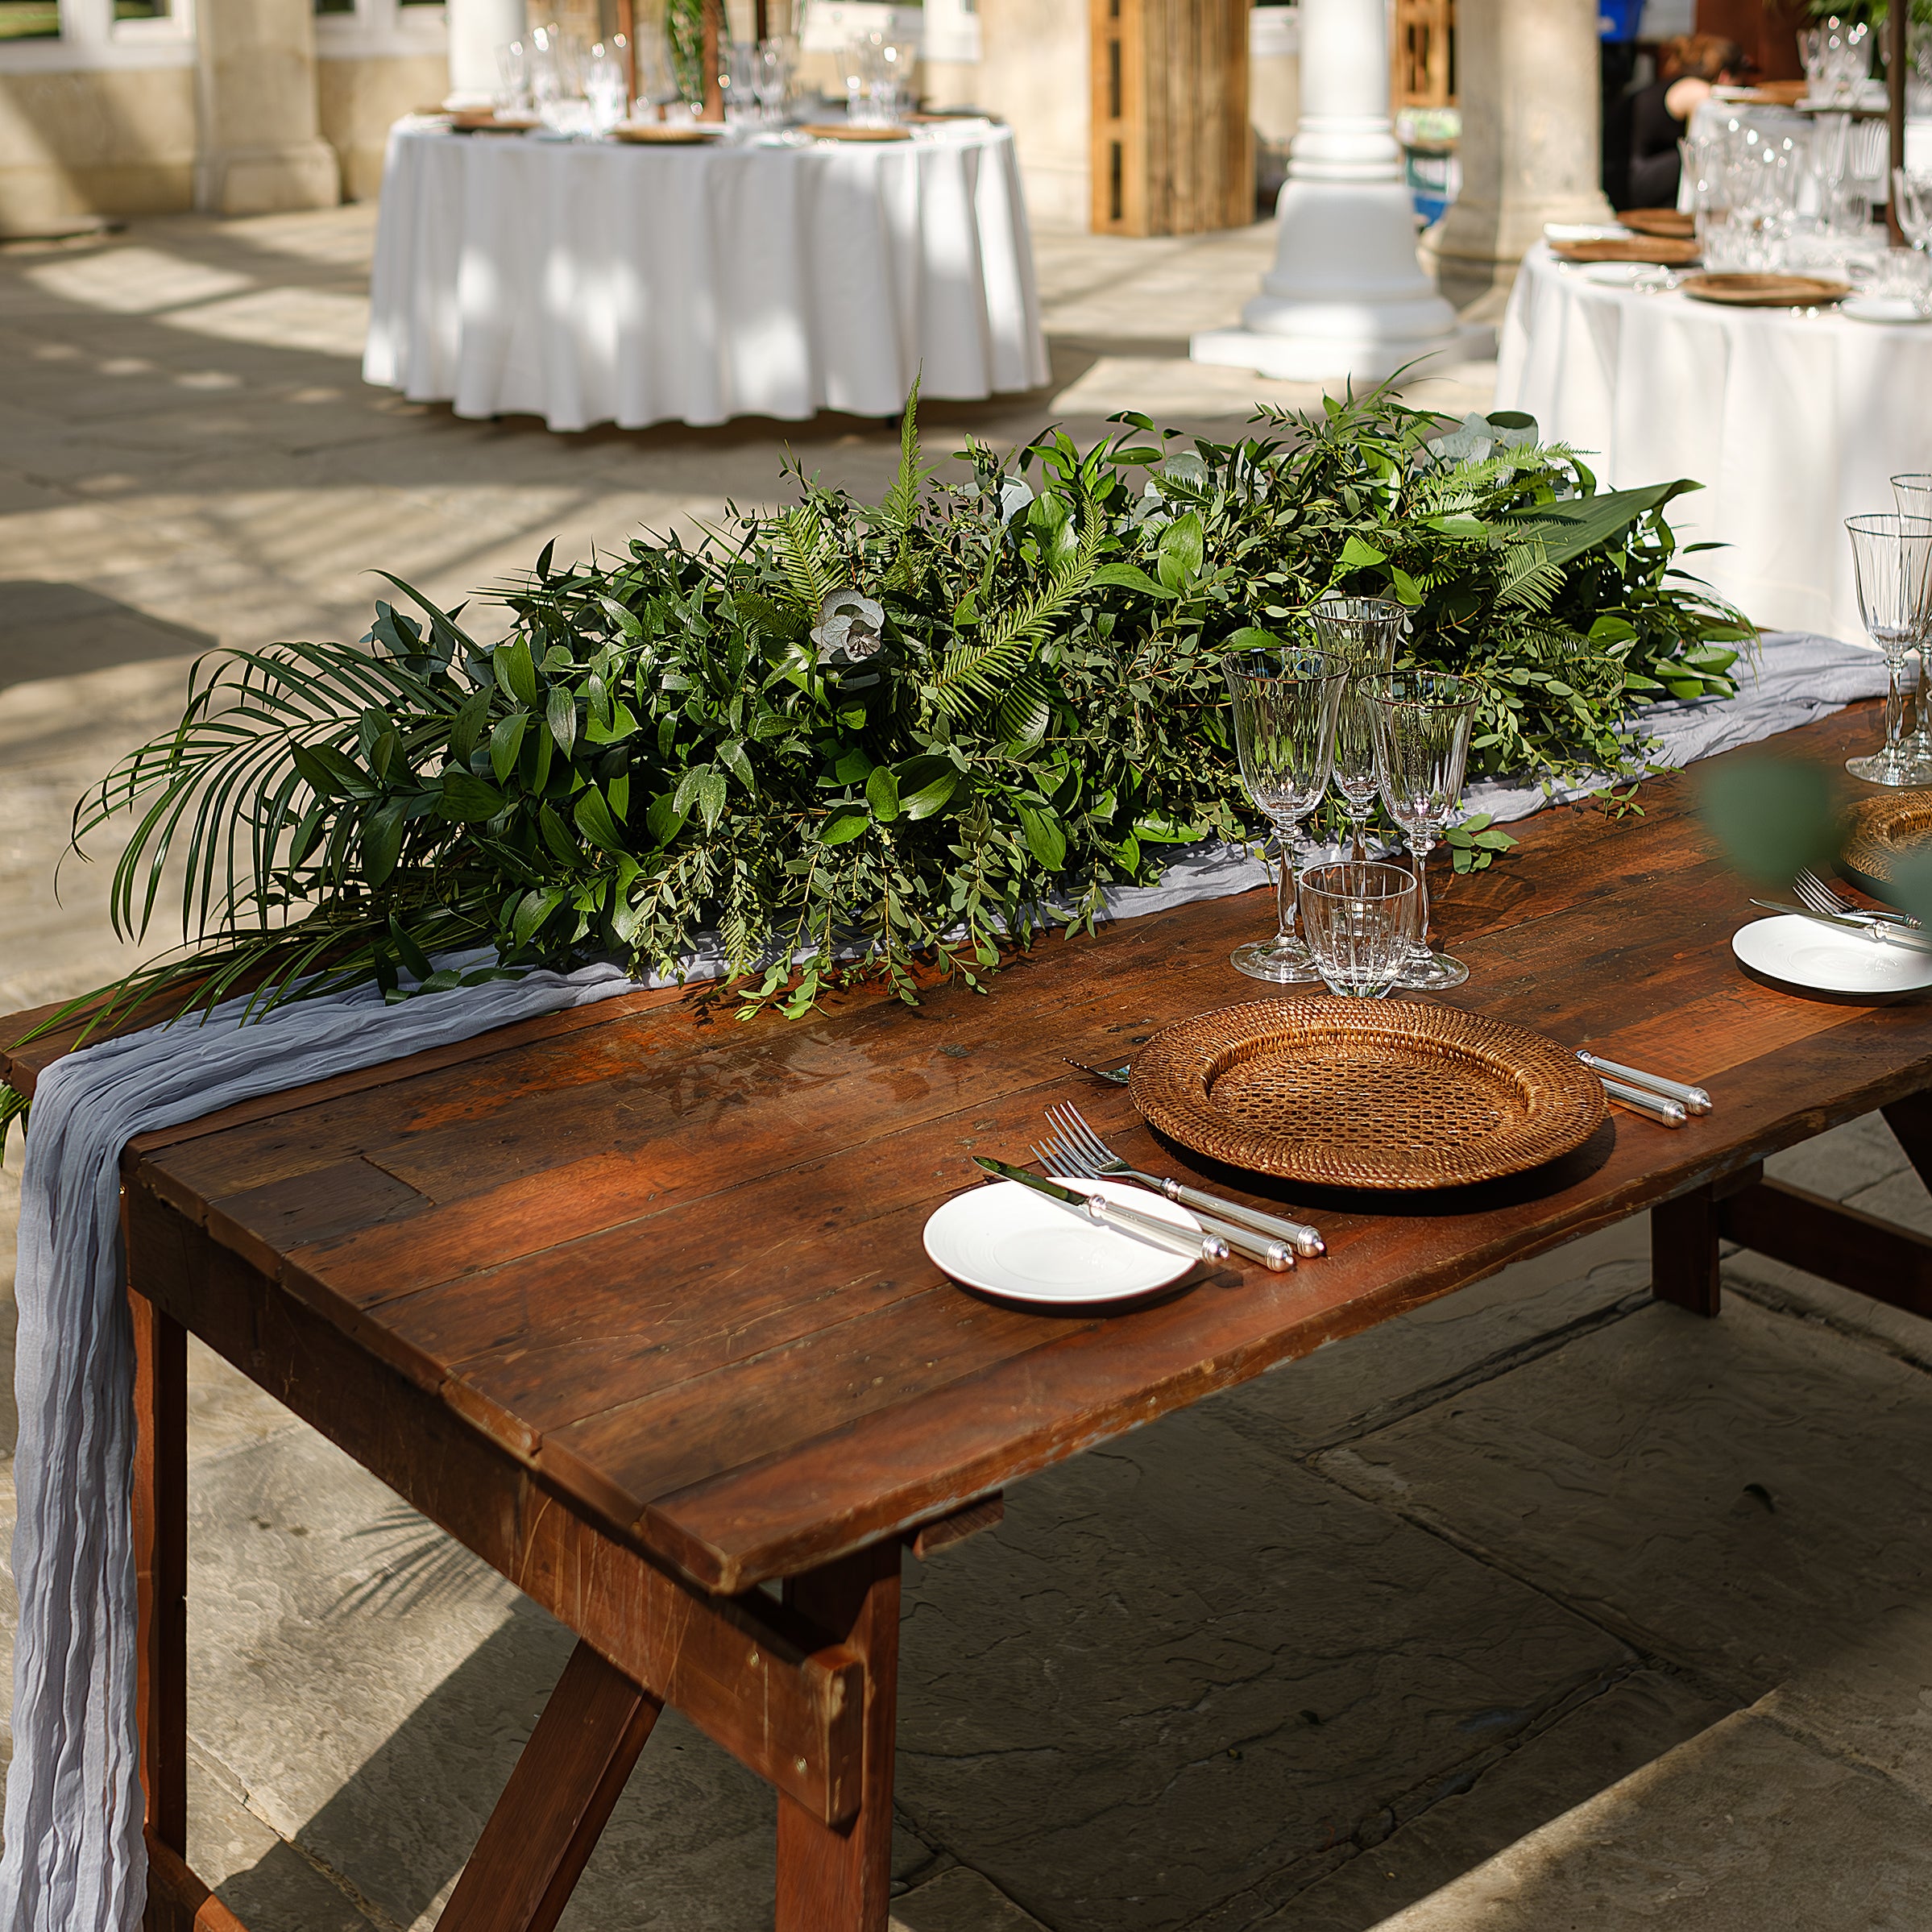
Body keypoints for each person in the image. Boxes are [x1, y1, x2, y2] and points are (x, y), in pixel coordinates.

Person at [1609, 33, 1746, 209]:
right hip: (1627, 183)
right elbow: (1714, 113)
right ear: (1725, 77)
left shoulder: (1672, 85)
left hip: (1623, 176)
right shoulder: (1695, 89)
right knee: (1705, 153)